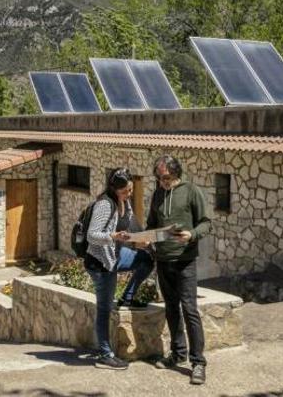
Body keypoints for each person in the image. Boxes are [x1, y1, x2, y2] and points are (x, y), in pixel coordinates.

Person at [147, 155, 210, 385]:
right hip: (164, 261)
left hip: (185, 260)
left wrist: (191, 234)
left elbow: (205, 223)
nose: (162, 181)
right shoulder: (157, 194)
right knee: (171, 309)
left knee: (189, 309)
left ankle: (198, 363)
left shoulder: (192, 191)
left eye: (166, 178)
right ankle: (177, 353)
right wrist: (146, 240)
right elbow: (151, 226)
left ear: (176, 174)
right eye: (159, 178)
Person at [85, 167, 154, 370]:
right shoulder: (105, 205)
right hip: (101, 263)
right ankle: (105, 355)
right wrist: (113, 237)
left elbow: (130, 227)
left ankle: (127, 298)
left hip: (115, 256)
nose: (128, 194)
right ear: (114, 189)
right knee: (104, 308)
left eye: (130, 190)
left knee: (146, 260)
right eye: (125, 192)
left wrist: (140, 240)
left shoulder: (124, 202)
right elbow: (92, 235)